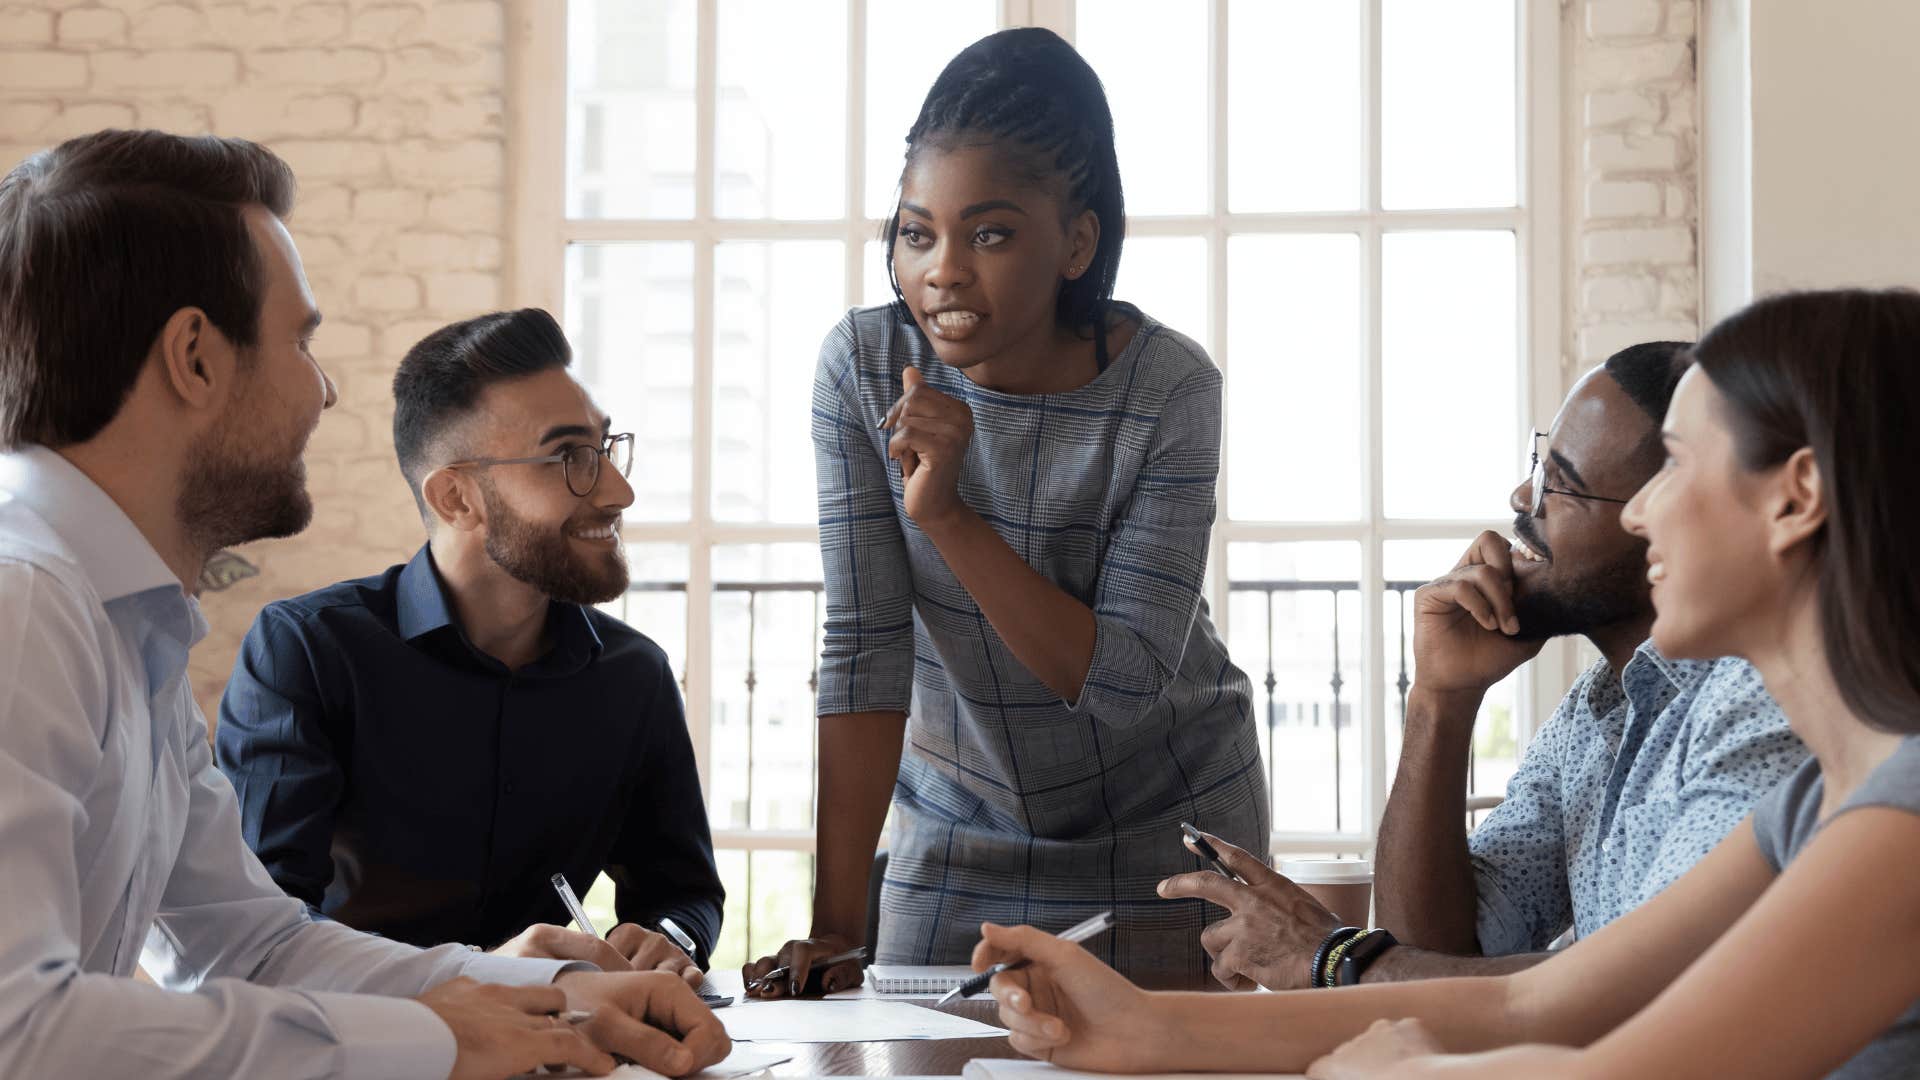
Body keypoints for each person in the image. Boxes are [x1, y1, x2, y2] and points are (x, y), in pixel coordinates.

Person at [973, 288, 1920, 1079]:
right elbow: (1528, 999)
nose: (1640, 510)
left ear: (1796, 497)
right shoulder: (1815, 804)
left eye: (1673, 465)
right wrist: (1134, 1025)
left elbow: (1618, 1066)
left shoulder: (1904, 817)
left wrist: (1405, 1064)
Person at [0, 130, 728, 1079]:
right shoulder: (23, 605)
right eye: (300, 340)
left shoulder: (126, 624)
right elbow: (17, 1031)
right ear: (196, 358)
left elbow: (250, 946)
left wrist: (546, 997)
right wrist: (442, 1039)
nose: (325, 388)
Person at [744, 27, 1268, 994]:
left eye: (989, 233)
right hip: (957, 823)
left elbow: (1119, 682)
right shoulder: (859, 369)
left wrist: (948, 518)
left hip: (1171, 821)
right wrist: (833, 925)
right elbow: (864, 641)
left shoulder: (1168, 387)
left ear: (1077, 241)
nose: (943, 268)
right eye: (916, 232)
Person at [1162, 343, 1804, 990]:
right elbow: (1440, 957)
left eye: (1564, 484)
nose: (1524, 495)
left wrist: (1333, 956)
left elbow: (1652, 993)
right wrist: (1441, 699)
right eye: (1538, 465)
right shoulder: (1600, 706)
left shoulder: (1765, 703)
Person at [215, 308, 724, 982]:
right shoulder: (308, 653)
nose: (618, 490)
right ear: (457, 498)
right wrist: (474, 974)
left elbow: (683, 892)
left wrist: (669, 940)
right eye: (569, 456)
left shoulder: (635, 676)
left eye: (604, 448)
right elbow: (263, 926)